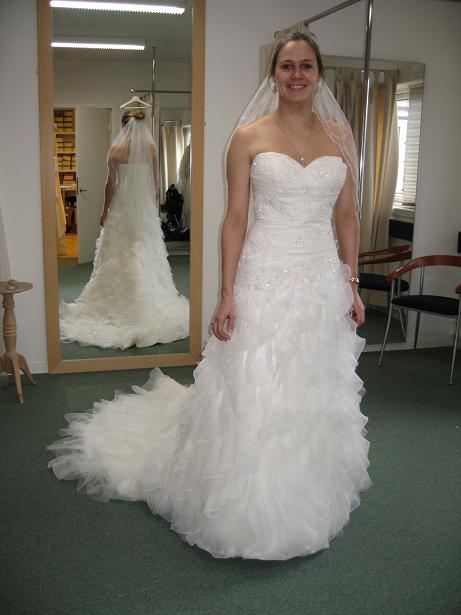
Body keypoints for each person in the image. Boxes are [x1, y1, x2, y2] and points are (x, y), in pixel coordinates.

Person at [48, 33, 371, 561]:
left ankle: (305, 486)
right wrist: (226, 293)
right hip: (263, 275)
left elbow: (347, 217)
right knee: (254, 385)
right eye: (287, 66)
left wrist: (351, 282)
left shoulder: (340, 136)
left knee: (310, 383)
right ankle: (249, 501)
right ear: (273, 75)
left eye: (306, 65)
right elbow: (235, 219)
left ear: (319, 74)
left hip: (319, 281)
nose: (296, 74)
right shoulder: (247, 137)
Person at [59, 110, 189, 350]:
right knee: (143, 253)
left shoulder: (116, 150)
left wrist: (104, 211)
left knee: (118, 254)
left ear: (123, 125)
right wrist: (151, 209)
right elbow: (155, 184)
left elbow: (111, 184)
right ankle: (146, 302)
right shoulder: (150, 149)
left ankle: (117, 304)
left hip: (122, 207)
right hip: (143, 211)